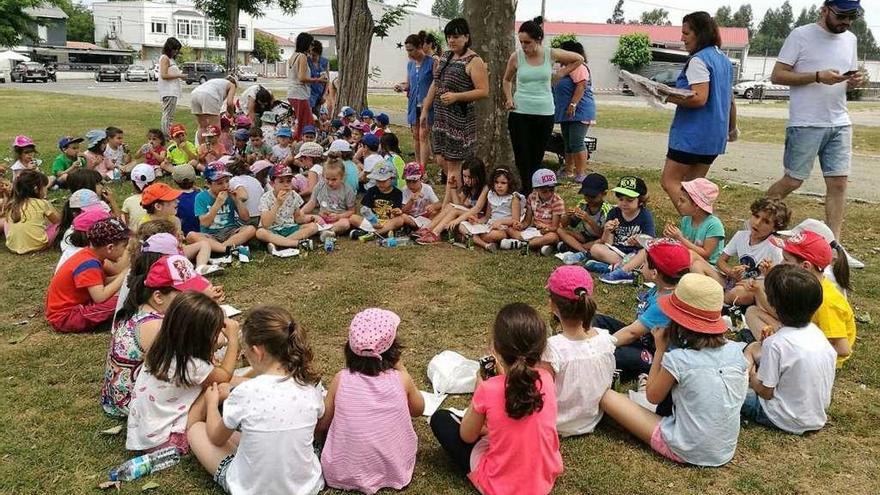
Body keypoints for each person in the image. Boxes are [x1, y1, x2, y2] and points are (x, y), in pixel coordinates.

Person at [600, 273, 748, 466]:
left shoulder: (679, 359)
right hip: (724, 450)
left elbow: (652, 397)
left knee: (608, 397)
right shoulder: (734, 351)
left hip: (685, 447)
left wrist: (660, 349)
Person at [765, 0, 865, 268]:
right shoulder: (801, 35)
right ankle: (757, 224)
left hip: (840, 120)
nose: (846, 22)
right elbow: (777, 76)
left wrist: (853, 82)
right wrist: (817, 76)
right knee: (793, 180)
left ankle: (835, 250)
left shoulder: (851, 39)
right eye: (842, 15)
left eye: (852, 16)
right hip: (806, 121)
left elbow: (846, 81)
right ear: (825, 10)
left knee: (839, 184)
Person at [188, 306, 325, 495]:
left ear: (257, 351)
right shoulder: (309, 387)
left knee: (196, 430)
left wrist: (212, 404)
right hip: (306, 487)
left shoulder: (245, 392)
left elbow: (216, 438)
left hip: (252, 489)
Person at [430, 303, 562, 495]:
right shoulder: (547, 379)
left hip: (501, 485)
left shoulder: (488, 389)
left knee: (441, 419)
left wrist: (479, 390)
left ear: (496, 349)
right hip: (543, 478)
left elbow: (467, 435)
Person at [317, 308, 424, 494]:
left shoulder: (340, 379)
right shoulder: (401, 379)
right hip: (394, 468)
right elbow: (418, 409)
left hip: (342, 471)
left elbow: (323, 424)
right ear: (394, 350)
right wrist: (402, 369)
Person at [126, 291, 239, 454]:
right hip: (166, 440)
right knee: (218, 388)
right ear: (200, 336)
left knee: (218, 382)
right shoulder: (190, 364)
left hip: (145, 434)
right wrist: (233, 339)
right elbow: (224, 376)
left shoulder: (162, 347)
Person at [101, 253, 211, 417]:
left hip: (116, 397)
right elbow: (188, 368)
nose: (194, 300)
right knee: (213, 392)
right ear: (158, 296)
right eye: (187, 295)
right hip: (133, 403)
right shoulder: (156, 326)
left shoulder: (139, 309)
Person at [741, 264, 837, 434]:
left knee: (731, 392)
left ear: (773, 305)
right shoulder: (818, 334)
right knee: (754, 350)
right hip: (815, 416)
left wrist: (752, 376)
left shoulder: (776, 343)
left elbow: (765, 392)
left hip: (782, 417)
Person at [744, 228, 855, 367]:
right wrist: (760, 290)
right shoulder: (803, 285)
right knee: (752, 312)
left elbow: (843, 349)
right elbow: (783, 314)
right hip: (798, 333)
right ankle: (771, 348)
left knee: (752, 350)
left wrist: (800, 352)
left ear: (805, 266)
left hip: (812, 355)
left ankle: (770, 354)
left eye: (786, 260)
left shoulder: (827, 302)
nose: (781, 263)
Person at [660, 11, 737, 213]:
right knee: (694, 188)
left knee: (670, 181)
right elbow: (730, 100)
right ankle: (699, 231)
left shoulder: (698, 60)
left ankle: (694, 223)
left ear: (699, 34)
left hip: (692, 136)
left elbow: (699, 98)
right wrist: (732, 128)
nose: (682, 38)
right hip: (714, 137)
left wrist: (663, 95)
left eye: (686, 33)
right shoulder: (724, 61)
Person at [503, 17, 584, 194]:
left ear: (538, 40)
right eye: (521, 42)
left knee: (536, 156)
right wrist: (509, 98)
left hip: (544, 113)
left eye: (528, 42)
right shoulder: (516, 57)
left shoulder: (550, 54)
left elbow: (578, 58)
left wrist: (562, 72)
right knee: (522, 157)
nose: (524, 46)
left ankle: (534, 193)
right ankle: (525, 193)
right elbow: (506, 79)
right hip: (520, 113)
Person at [593, 239, 692, 380]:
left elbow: (632, 333)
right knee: (597, 320)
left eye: (644, 263)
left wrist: (598, 346)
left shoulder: (665, 303)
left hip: (660, 355)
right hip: (645, 337)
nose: (641, 265)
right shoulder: (660, 289)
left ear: (654, 273)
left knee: (616, 354)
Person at [601, 177, 725, 285]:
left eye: (682, 200)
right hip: (687, 263)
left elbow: (705, 254)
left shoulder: (714, 224)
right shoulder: (687, 220)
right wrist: (670, 240)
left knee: (675, 255)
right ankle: (627, 273)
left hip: (706, 269)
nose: (678, 203)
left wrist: (679, 238)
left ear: (696, 205)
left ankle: (626, 271)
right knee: (655, 249)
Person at [543, 266, 615, 437]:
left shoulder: (551, 349)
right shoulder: (606, 340)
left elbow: (541, 392)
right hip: (591, 419)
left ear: (552, 305)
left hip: (557, 423)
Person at [421, 18, 489, 196]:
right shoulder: (445, 56)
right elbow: (435, 84)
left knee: (453, 165)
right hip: (441, 118)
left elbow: (483, 91)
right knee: (440, 159)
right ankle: (459, 195)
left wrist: (456, 97)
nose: (451, 40)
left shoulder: (474, 61)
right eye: (449, 36)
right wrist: (425, 109)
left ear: (466, 37)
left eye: (456, 36)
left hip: (460, 120)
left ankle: (453, 204)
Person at [45, 218, 131, 333]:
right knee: (121, 300)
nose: (125, 251)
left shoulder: (88, 255)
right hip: (65, 318)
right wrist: (124, 274)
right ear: (110, 247)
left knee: (121, 295)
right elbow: (100, 297)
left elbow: (101, 282)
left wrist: (126, 276)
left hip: (73, 310)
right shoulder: (88, 264)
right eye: (124, 246)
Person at [716, 198, 790, 305]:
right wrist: (731, 272)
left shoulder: (775, 247)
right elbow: (720, 261)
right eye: (756, 216)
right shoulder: (741, 236)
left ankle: (718, 302)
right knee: (698, 263)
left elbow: (779, 281)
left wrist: (765, 275)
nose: (757, 223)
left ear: (775, 228)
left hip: (753, 289)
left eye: (766, 222)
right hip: (734, 281)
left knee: (737, 294)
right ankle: (719, 296)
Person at [587, 176, 655, 273]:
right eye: (621, 199)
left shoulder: (645, 216)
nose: (624, 203)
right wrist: (607, 230)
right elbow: (609, 243)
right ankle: (627, 267)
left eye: (629, 200)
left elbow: (650, 242)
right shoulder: (614, 213)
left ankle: (613, 268)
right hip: (616, 252)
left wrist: (638, 240)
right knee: (595, 248)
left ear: (640, 201)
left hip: (636, 253)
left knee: (646, 253)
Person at [187, 162, 257, 256]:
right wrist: (217, 204)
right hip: (211, 234)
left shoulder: (230, 194)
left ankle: (219, 248)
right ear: (208, 183)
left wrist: (237, 201)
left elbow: (246, 218)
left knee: (251, 229)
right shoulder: (201, 197)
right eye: (219, 183)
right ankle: (227, 249)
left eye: (227, 181)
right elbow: (205, 223)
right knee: (191, 236)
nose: (225, 186)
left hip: (230, 232)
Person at [552, 40, 596, 183]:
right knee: (568, 142)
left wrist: (573, 103)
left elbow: (581, 86)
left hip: (579, 111)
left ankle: (581, 173)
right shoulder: (565, 68)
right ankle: (568, 170)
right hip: (567, 113)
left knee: (577, 142)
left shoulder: (579, 67)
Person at [257, 164, 320, 256]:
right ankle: (295, 243)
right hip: (273, 230)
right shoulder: (265, 198)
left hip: (290, 228)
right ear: (272, 184)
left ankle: (278, 244)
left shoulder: (294, 195)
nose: (286, 185)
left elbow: (298, 218)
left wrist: (309, 218)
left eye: (289, 181)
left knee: (313, 227)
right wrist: (278, 203)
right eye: (281, 181)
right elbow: (266, 224)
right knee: (260, 232)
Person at [396, 31, 435, 167]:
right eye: (407, 51)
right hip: (413, 105)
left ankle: (423, 167)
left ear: (419, 46)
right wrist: (402, 87)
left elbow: (436, 84)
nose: (409, 54)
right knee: (416, 136)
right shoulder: (410, 64)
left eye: (411, 50)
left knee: (424, 135)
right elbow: (409, 84)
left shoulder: (432, 62)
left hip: (427, 106)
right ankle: (417, 164)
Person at [509, 168, 565, 255]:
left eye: (552, 190)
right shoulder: (532, 197)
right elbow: (527, 221)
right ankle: (540, 245)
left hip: (549, 230)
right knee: (509, 230)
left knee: (553, 237)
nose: (549, 194)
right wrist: (521, 225)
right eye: (544, 191)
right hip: (535, 229)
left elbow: (555, 227)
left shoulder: (557, 201)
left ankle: (525, 244)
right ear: (536, 189)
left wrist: (544, 230)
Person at [465, 167, 521, 252]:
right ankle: (488, 244)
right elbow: (487, 217)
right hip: (490, 225)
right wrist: (477, 221)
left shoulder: (513, 198)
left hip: (505, 228)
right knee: (463, 226)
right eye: (496, 182)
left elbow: (516, 220)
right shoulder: (491, 195)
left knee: (491, 235)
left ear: (510, 183)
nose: (499, 185)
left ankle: (480, 241)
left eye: (503, 183)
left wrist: (501, 222)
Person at [4, 169, 60, 254]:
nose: (46, 190)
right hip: (38, 245)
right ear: (36, 189)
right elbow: (57, 221)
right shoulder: (41, 203)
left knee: (6, 222)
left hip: (12, 247)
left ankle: (15, 240)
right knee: (60, 225)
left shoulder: (12, 204)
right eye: (45, 187)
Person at [300, 158, 356, 238]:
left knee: (345, 223)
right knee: (307, 217)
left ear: (342, 177)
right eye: (327, 179)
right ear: (323, 176)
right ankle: (325, 231)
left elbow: (352, 211)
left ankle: (325, 231)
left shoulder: (347, 190)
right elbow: (311, 203)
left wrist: (339, 216)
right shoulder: (320, 185)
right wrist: (301, 213)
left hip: (338, 219)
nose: (330, 182)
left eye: (334, 179)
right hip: (322, 218)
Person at [557, 173, 611, 255]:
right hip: (586, 236)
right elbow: (566, 224)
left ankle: (576, 248)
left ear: (604, 193)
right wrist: (567, 215)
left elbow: (602, 234)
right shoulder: (583, 205)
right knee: (560, 230)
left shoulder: (606, 210)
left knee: (598, 243)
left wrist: (589, 220)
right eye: (586, 195)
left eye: (593, 196)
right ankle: (582, 250)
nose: (588, 199)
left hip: (600, 239)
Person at [288, 32, 321, 140]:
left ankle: (297, 142)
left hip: (293, 93)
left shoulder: (293, 56)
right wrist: (318, 80)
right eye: (311, 44)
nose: (312, 47)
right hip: (300, 94)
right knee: (306, 123)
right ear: (306, 44)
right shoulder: (302, 56)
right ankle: (303, 144)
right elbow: (302, 78)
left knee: (302, 121)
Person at [190, 76, 238, 144]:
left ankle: (201, 150)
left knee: (202, 126)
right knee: (215, 129)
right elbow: (230, 103)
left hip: (194, 94)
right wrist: (232, 114)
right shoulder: (232, 85)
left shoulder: (217, 81)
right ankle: (217, 151)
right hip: (209, 95)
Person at [158, 37, 185, 137]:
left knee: (170, 115)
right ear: (169, 48)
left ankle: (167, 133)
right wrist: (179, 75)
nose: (176, 52)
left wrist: (181, 76)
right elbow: (164, 75)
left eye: (177, 49)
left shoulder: (171, 59)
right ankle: (166, 135)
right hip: (168, 91)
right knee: (168, 115)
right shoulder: (164, 58)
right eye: (175, 49)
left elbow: (172, 73)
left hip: (173, 90)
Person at [121, 164, 156, 229]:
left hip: (136, 236)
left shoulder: (128, 201)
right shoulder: (160, 199)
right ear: (154, 182)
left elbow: (126, 223)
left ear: (132, 183)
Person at [172, 164, 201, 237]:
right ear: (194, 179)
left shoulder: (173, 198)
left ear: (175, 181)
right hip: (202, 233)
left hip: (183, 234)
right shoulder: (201, 195)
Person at [308, 40, 330, 116]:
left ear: (319, 54)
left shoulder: (324, 62)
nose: (311, 57)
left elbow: (327, 80)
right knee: (310, 116)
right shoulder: (307, 61)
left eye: (314, 55)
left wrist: (324, 95)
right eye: (310, 54)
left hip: (320, 94)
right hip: (309, 94)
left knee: (317, 115)